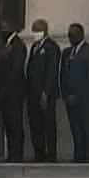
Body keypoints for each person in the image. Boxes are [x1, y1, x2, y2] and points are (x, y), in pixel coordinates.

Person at [58, 23, 89, 163]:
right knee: (76, 129)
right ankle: (79, 157)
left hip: (87, 99)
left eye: (73, 34)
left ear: (81, 34)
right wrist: (65, 95)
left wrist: (78, 95)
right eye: (69, 34)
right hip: (70, 99)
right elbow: (63, 75)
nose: (71, 37)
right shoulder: (66, 52)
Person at [25, 19, 61, 162]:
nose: (35, 33)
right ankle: (39, 154)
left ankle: (51, 155)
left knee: (48, 125)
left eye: (37, 30)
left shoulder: (52, 47)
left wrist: (46, 92)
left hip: (46, 94)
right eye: (33, 30)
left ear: (45, 31)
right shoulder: (34, 46)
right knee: (35, 125)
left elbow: (52, 71)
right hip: (33, 94)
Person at [0, 18, 27, 162]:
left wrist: (6, 89)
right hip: (5, 93)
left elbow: (16, 69)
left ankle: (17, 155)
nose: (2, 30)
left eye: (5, 26)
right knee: (8, 124)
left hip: (14, 92)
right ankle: (12, 154)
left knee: (15, 124)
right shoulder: (4, 45)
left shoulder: (18, 44)